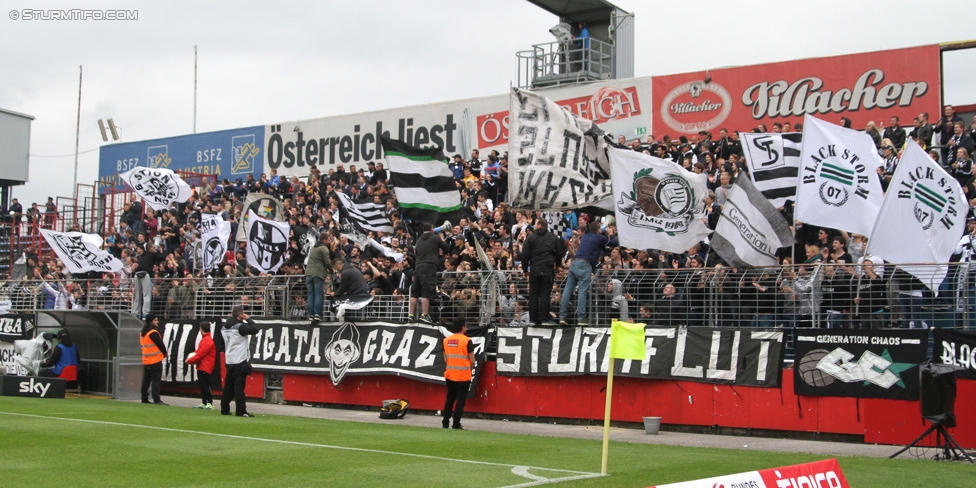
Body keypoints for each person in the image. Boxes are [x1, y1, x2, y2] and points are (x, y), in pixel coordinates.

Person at [559, 222, 608, 326]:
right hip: (585, 264)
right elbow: (612, 241)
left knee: (567, 290)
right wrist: (606, 233)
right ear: (598, 229)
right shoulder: (600, 238)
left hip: (575, 262)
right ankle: (581, 318)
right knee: (582, 292)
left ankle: (562, 317)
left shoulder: (585, 236)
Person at [520, 218, 565, 326]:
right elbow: (560, 253)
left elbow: (524, 255)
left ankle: (533, 320)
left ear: (539, 224)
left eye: (535, 224)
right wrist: (557, 265)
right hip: (548, 268)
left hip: (534, 269)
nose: (533, 226)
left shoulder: (530, 238)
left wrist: (525, 270)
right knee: (546, 294)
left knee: (533, 294)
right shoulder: (553, 237)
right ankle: (545, 319)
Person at [409, 221, 452, 324]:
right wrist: (441, 239)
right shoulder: (435, 238)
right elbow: (447, 248)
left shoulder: (418, 240)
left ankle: (411, 315)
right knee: (426, 292)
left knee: (415, 292)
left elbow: (416, 253)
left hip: (418, 267)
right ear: (432, 229)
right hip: (429, 267)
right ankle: (424, 315)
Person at [221, 306, 258, 417]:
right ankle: (241, 410)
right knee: (239, 388)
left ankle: (224, 408)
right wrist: (249, 319)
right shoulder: (240, 327)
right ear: (240, 315)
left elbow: (221, 345)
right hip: (239, 360)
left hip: (229, 359)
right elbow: (255, 329)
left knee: (228, 387)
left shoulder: (224, 328)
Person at [442, 316, 475, 430]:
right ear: (463, 327)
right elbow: (472, 361)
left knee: (449, 399)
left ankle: (445, 422)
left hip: (450, 374)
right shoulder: (467, 341)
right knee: (460, 401)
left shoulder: (446, 340)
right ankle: (456, 424)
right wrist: (469, 369)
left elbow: (445, 359)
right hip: (463, 375)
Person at [185, 321, 216, 410]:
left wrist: (189, 360)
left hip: (205, 366)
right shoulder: (206, 340)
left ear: (201, 329)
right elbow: (198, 352)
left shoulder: (207, 340)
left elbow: (200, 354)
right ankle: (204, 402)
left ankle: (210, 403)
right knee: (202, 385)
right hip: (202, 365)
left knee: (206, 385)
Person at [132, 241, 166, 319]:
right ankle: (145, 314)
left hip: (137, 274)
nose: (154, 249)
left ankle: (135, 313)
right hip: (145, 273)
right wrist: (161, 251)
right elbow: (162, 257)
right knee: (146, 294)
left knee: (137, 295)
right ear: (150, 248)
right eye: (153, 247)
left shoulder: (141, 256)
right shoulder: (152, 254)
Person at [305, 231, 333, 323]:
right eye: (328, 239)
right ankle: (317, 314)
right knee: (318, 294)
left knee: (310, 294)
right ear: (324, 240)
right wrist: (332, 270)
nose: (329, 241)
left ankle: (311, 315)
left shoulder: (313, 247)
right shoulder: (323, 248)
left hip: (308, 273)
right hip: (318, 274)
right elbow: (327, 262)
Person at [140, 314, 168, 405]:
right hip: (155, 360)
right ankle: (156, 399)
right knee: (155, 380)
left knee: (146, 380)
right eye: (155, 320)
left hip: (146, 360)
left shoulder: (143, 333)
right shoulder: (153, 333)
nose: (157, 322)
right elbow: (160, 344)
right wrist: (165, 353)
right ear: (151, 321)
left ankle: (144, 398)